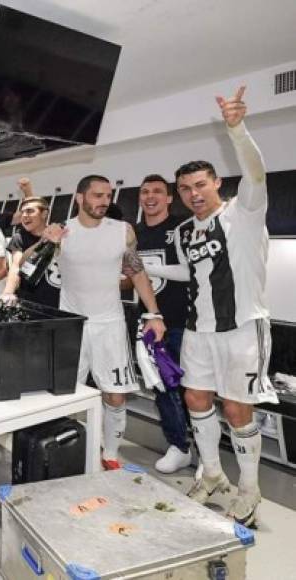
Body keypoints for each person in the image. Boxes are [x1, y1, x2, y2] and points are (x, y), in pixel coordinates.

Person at [149, 87, 273, 527]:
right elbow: (190, 272)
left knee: (237, 409)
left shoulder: (244, 212)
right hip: (200, 330)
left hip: (242, 327)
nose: (193, 193)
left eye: (200, 184)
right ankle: (214, 474)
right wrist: (151, 271)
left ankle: (251, 491)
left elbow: (256, 174)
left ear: (216, 183)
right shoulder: (185, 231)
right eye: (184, 188)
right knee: (195, 398)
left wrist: (237, 129)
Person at [46, 175, 166, 470]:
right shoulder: (62, 232)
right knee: (66, 395)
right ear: (80, 198)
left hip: (109, 324)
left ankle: (111, 454)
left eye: (107, 196)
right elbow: (25, 264)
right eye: (97, 195)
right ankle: (68, 449)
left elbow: (136, 272)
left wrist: (154, 313)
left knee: (115, 395)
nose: (103, 202)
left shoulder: (123, 231)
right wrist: (46, 243)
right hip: (72, 325)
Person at [134, 174, 192, 473]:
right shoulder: (135, 233)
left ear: (169, 198)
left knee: (189, 388)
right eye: (145, 192)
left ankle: (196, 447)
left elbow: (191, 271)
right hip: (146, 323)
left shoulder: (181, 229)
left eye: (157, 191)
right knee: (162, 386)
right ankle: (179, 445)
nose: (150, 196)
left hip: (180, 322)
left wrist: (148, 268)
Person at [0, 196, 61, 308]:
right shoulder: (19, 237)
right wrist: (8, 292)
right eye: (22, 212)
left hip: (58, 302)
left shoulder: (59, 234)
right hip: (29, 301)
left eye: (30, 211)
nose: (24, 215)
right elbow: (16, 266)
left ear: (44, 214)